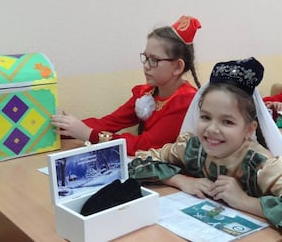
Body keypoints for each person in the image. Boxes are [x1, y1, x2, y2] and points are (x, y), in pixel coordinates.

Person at [129, 58, 282, 241]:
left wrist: (245, 201)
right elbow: (136, 163)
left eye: (227, 121)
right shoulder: (192, 148)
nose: (212, 129)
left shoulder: (261, 164)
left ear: (249, 129)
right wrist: (179, 180)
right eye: (205, 117)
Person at [51, 15, 202, 156]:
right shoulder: (147, 92)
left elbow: (144, 145)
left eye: (154, 60)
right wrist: (64, 129)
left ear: (177, 67)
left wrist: (87, 134)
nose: (146, 66)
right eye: (145, 57)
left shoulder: (185, 102)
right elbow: (109, 122)